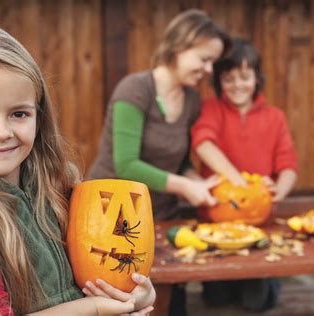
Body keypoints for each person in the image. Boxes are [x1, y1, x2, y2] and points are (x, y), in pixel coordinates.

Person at [0, 24, 155, 315]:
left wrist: (132, 296)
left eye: (19, 113)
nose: (1, 131)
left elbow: (101, 270)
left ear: (39, 117)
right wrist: (92, 309)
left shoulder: (57, 184)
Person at [86, 9, 230, 316]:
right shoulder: (134, 90)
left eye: (213, 62)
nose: (209, 69)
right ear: (179, 47)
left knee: (169, 304)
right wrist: (186, 187)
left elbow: (180, 162)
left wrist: (199, 183)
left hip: (160, 217)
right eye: (204, 59)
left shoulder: (191, 101)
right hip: (112, 219)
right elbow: (126, 164)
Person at [191, 37, 299, 311]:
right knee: (216, 300)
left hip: (258, 222)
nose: (237, 85)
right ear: (219, 82)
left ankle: (267, 282)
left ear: (256, 78)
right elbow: (203, 141)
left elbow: (288, 166)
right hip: (216, 222)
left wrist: (277, 191)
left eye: (244, 77)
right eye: (229, 79)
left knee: (256, 303)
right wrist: (236, 180)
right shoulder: (211, 109)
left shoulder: (275, 117)